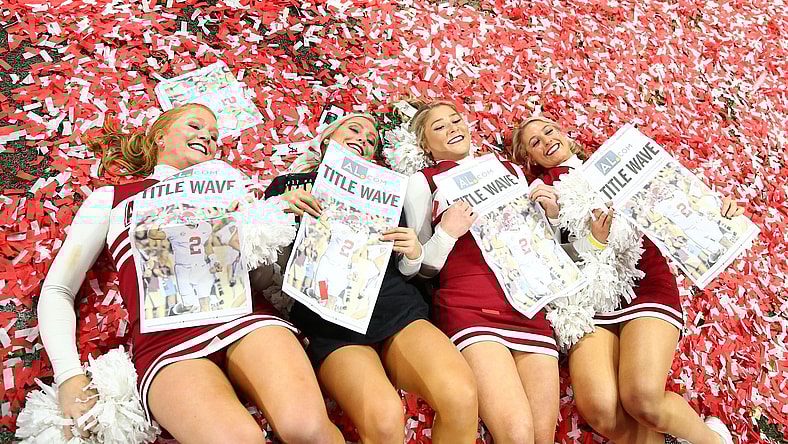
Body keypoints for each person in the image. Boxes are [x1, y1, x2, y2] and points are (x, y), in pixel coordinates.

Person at [38, 103, 345, 444]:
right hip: (166, 344)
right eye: (195, 126)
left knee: (308, 430)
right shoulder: (110, 199)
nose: (207, 138)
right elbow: (58, 289)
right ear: (160, 136)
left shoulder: (231, 191)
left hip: (248, 320)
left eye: (214, 136)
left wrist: (256, 226)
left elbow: (259, 280)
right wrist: (69, 376)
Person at [507, 115, 743, 444]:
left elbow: (673, 200)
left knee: (643, 397)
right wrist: (562, 220)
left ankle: (714, 439)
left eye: (549, 131)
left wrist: (716, 209)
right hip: (588, 304)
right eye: (535, 142)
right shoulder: (538, 197)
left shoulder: (615, 160)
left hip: (644, 282)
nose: (546, 140)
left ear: (564, 133)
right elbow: (560, 260)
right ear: (529, 159)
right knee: (601, 409)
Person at [272, 113, 479, 444]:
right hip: (330, 323)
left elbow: (408, 271)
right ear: (327, 140)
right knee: (383, 422)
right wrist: (275, 214)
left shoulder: (387, 191)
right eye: (354, 130)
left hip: (395, 307)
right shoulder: (289, 186)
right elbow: (268, 273)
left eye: (370, 142)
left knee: (461, 396)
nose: (363, 140)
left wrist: (413, 252)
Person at [403, 102, 561, 444]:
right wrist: (446, 233)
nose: (452, 128)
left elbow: (544, 245)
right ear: (425, 145)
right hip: (471, 307)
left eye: (455, 120)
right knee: (517, 435)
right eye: (439, 127)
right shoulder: (423, 182)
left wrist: (552, 216)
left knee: (543, 437)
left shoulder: (510, 170)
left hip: (528, 305)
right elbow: (419, 269)